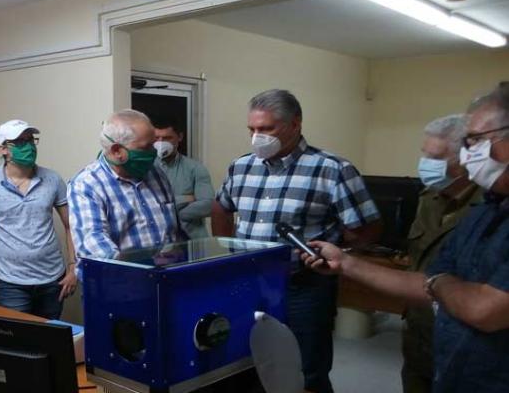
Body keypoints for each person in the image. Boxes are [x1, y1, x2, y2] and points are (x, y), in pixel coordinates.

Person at [302, 82, 509, 393]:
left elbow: (485, 309)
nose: (470, 155)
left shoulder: (480, 205)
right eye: (467, 143)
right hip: (443, 357)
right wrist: (345, 262)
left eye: (477, 140)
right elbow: (425, 281)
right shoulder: (487, 212)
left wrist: (440, 283)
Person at [211, 89, 381, 393]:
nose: (256, 137)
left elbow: (367, 227)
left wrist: (338, 251)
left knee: (306, 369)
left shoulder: (332, 169)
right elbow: (221, 206)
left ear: (295, 124)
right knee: (248, 362)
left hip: (304, 286)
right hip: (248, 283)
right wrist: (225, 247)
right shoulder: (241, 166)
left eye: (266, 129)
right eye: (252, 129)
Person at [0, 120, 77, 320]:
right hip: (11, 283)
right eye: (19, 142)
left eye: (30, 140)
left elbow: (71, 225)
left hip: (53, 280)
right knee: (18, 343)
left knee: (51, 342)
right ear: (3, 149)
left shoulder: (53, 179)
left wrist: (73, 269)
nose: (28, 146)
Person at [402, 114, 482, 393]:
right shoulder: (429, 197)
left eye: (435, 157)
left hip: (464, 340)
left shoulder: (489, 207)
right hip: (418, 334)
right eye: (425, 153)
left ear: (464, 161)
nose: (425, 164)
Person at [67, 109, 180, 262]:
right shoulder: (86, 185)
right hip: (120, 281)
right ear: (117, 151)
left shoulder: (156, 174)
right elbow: (94, 245)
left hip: (165, 277)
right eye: (146, 147)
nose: (154, 152)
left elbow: (172, 232)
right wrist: (147, 265)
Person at [153, 115, 214, 238]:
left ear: (179, 137)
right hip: (158, 243)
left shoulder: (195, 168)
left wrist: (166, 214)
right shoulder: (146, 169)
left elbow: (208, 205)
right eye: (156, 138)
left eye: (167, 138)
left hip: (192, 242)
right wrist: (185, 199)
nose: (160, 143)